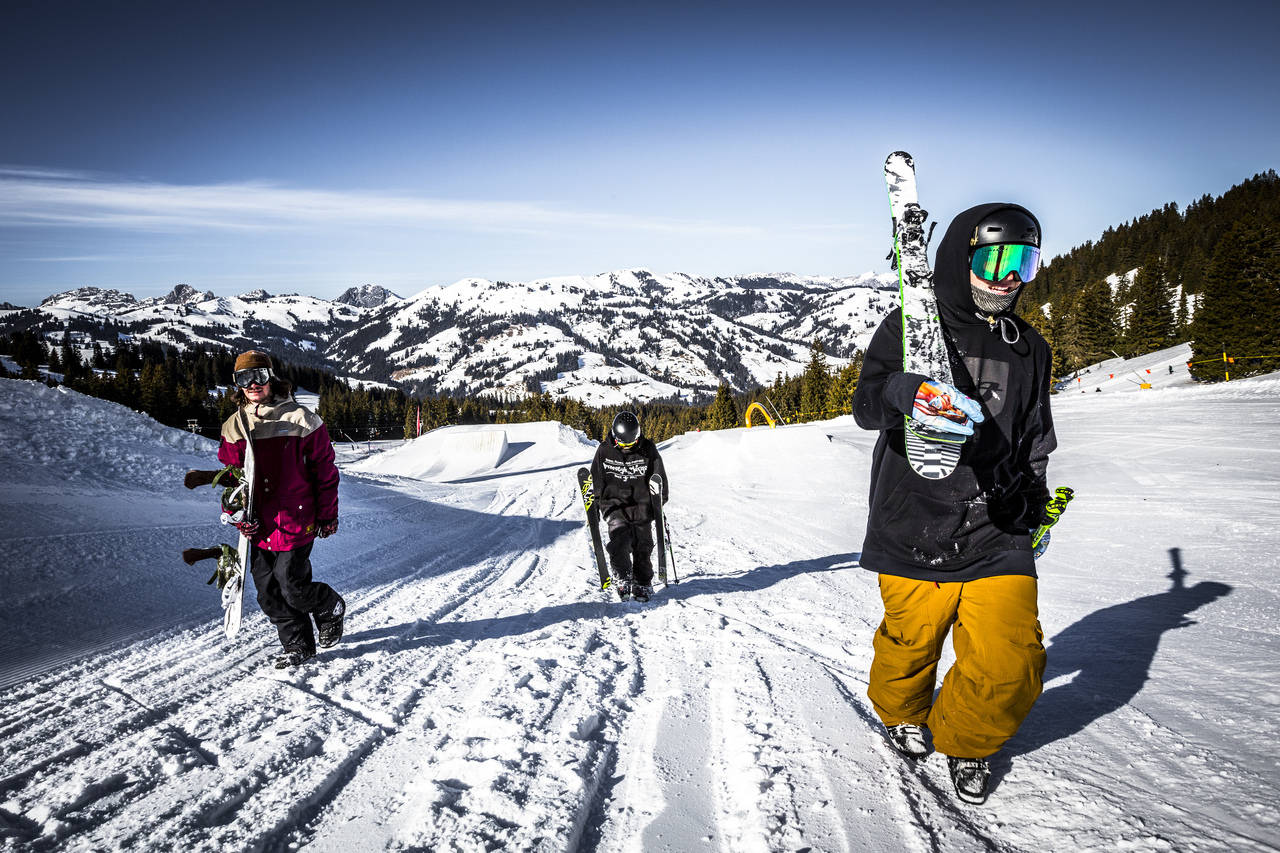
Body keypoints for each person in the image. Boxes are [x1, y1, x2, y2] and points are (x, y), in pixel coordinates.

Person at [852, 204, 1057, 804]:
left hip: (998, 525)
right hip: (914, 517)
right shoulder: (913, 327)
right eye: (996, 258)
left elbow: (1036, 434)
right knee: (911, 642)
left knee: (1011, 660)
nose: (1009, 276)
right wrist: (907, 391)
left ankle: (966, 739)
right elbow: (867, 406)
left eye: (1025, 261)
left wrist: (1034, 497)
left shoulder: (1030, 348)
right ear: (960, 258)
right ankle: (902, 711)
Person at [218, 350, 345, 668]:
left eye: (258, 376)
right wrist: (239, 518)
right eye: (243, 379)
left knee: (293, 586)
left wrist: (328, 514)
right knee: (268, 593)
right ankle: (298, 645)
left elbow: (325, 472)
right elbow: (234, 482)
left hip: (296, 518)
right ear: (237, 384)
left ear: (270, 377)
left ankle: (329, 606)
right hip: (259, 525)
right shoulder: (235, 427)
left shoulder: (302, 420)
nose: (252, 384)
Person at [591, 411, 668, 601]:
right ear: (615, 437)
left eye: (632, 442)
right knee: (619, 543)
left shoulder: (648, 449)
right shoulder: (604, 451)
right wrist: (596, 505)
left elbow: (660, 478)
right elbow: (597, 479)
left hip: (642, 506)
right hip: (614, 505)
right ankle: (623, 577)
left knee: (643, 545)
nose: (628, 447)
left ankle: (642, 582)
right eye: (624, 444)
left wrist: (659, 503)